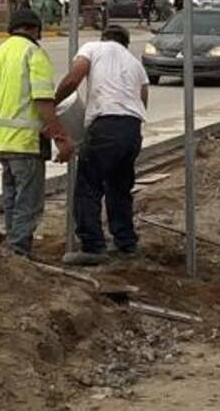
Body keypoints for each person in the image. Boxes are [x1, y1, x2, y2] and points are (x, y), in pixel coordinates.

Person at [0, 8, 73, 257]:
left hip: (3, 145)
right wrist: (61, 138)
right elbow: (43, 101)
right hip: (26, 145)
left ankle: (11, 250)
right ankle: (18, 253)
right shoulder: (33, 53)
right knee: (28, 204)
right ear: (34, 29)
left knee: (11, 200)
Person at [53, 23, 149, 266]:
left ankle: (93, 247)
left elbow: (73, 80)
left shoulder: (93, 48)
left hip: (106, 125)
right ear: (126, 43)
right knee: (119, 187)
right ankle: (126, 242)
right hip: (132, 129)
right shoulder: (135, 64)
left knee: (88, 186)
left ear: (104, 37)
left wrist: (52, 103)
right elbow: (143, 100)